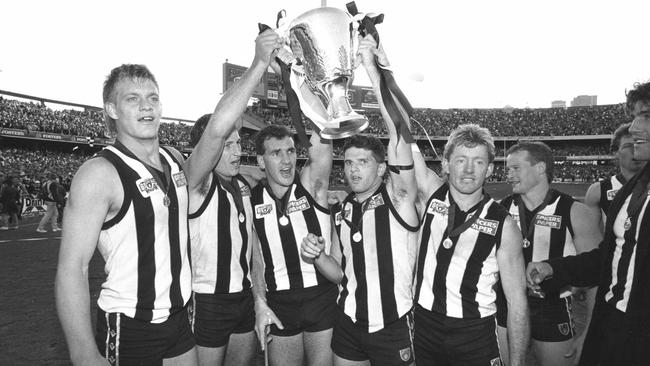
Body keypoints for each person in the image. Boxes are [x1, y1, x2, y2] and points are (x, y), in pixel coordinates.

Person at [55, 29, 284, 366]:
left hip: (179, 319)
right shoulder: (100, 173)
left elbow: (217, 129)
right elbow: (71, 268)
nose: (146, 105)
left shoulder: (175, 161)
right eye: (132, 98)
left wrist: (259, 64)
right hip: (131, 322)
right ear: (112, 109)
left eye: (153, 97)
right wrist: (83, 352)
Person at [302, 35, 419, 366]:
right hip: (349, 321)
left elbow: (400, 130)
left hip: (393, 324)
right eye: (348, 162)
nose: (352, 170)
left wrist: (372, 68)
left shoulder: (399, 197)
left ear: (382, 168)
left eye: (362, 162)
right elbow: (340, 273)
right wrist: (318, 256)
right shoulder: (343, 210)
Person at [527, 81, 650, 365]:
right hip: (612, 328)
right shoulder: (632, 190)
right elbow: (611, 256)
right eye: (634, 117)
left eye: (645, 116)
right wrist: (554, 268)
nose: (633, 128)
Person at [412, 124, 530, 366]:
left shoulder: (503, 224)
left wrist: (517, 363)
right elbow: (400, 134)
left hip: (475, 334)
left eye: (478, 162)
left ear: (489, 169)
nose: (468, 170)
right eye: (460, 160)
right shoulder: (431, 195)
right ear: (445, 164)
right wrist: (381, 85)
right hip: (424, 327)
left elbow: (517, 301)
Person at [498, 141, 602, 366]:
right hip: (508, 305)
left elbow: (597, 274)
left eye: (516, 168)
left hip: (552, 308)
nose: (509, 174)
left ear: (540, 168)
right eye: (508, 169)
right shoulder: (501, 210)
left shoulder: (575, 212)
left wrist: (588, 332)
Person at [250, 124, 335, 365]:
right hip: (279, 303)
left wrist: (310, 92)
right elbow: (256, 261)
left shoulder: (310, 185)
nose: (287, 160)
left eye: (290, 151)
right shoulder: (251, 199)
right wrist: (260, 301)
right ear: (260, 161)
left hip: (320, 298)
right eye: (276, 153)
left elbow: (322, 148)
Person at [187, 113, 262, 366]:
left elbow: (254, 248)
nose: (237, 152)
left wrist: (259, 298)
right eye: (227, 145)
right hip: (208, 299)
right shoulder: (198, 185)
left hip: (244, 298)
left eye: (238, 144)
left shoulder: (243, 185)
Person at [584, 123, 646, 228]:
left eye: (639, 144)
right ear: (615, 152)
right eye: (628, 146)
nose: (635, 150)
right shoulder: (598, 191)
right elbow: (591, 235)